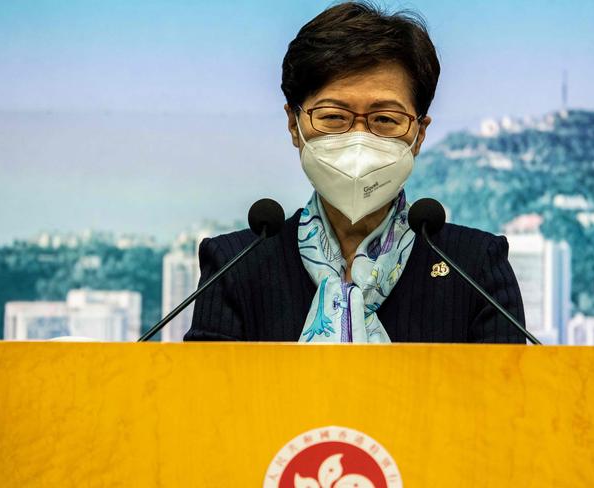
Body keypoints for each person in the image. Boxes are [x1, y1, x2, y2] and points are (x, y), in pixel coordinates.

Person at [185, 1, 526, 343]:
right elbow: (204, 393)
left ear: (419, 134)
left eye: (385, 120)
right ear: (294, 124)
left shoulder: (474, 268)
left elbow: (510, 393)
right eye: (334, 116)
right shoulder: (236, 265)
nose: (358, 139)